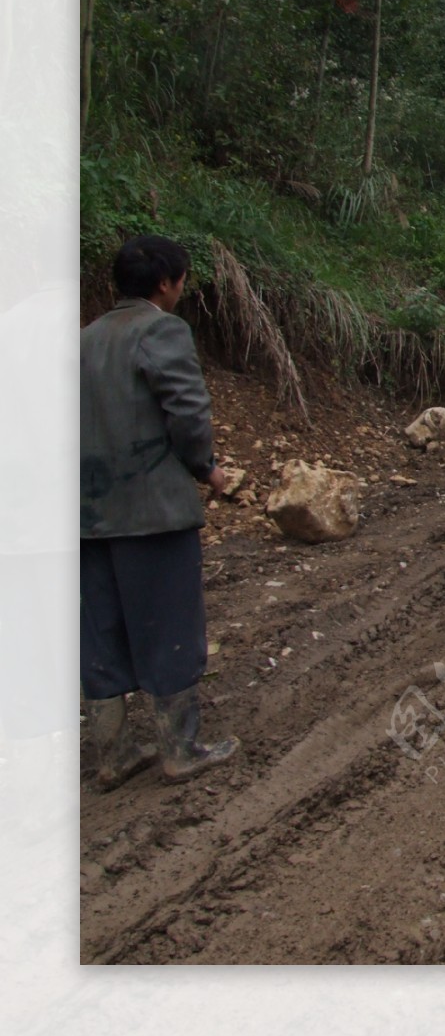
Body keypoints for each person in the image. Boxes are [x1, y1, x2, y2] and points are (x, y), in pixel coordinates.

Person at [80, 234, 239, 787]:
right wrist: (206, 468)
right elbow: (188, 412)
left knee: (98, 632)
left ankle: (115, 754)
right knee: (169, 622)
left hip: (83, 514)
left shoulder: (81, 341)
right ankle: (180, 748)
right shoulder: (161, 329)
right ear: (167, 283)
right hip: (150, 511)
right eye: (181, 280)